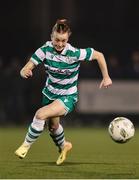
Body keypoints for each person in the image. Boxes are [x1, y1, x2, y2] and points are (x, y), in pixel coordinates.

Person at [15, 19, 112, 165]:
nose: (60, 44)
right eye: (57, 40)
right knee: (53, 128)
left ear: (68, 39)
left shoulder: (74, 53)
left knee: (40, 114)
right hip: (49, 93)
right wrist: (24, 71)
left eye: (63, 40)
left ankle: (25, 146)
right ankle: (64, 146)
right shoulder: (44, 50)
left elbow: (99, 55)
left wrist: (106, 77)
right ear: (51, 37)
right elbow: (27, 67)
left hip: (68, 96)